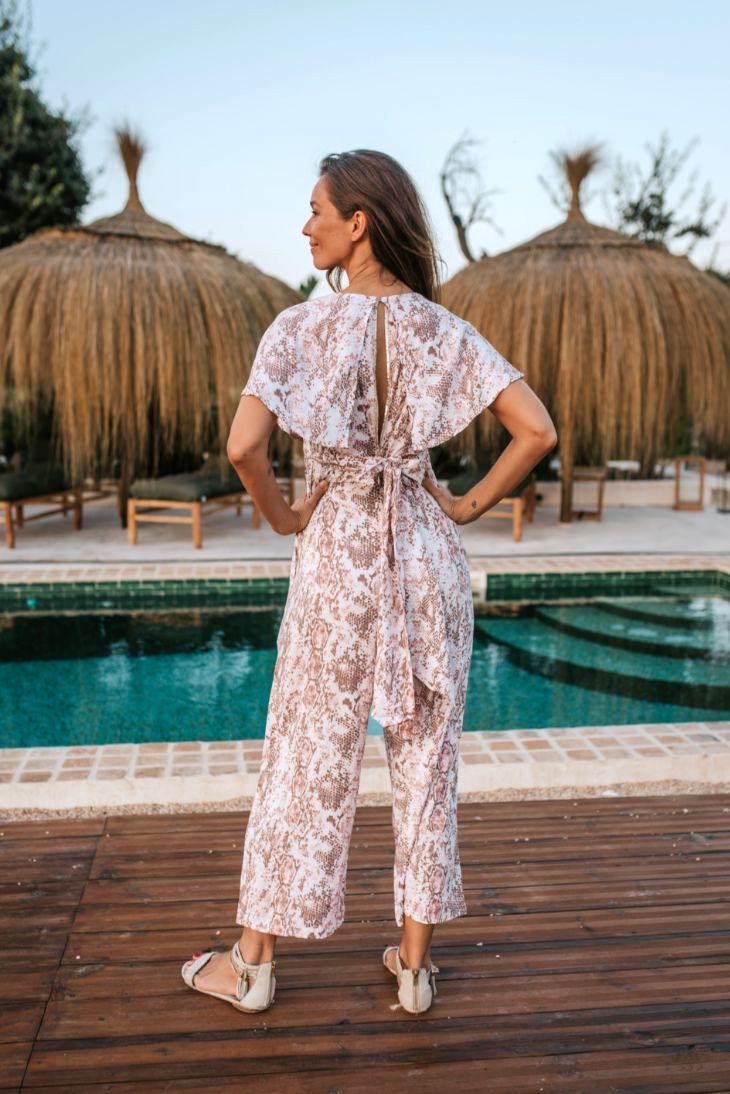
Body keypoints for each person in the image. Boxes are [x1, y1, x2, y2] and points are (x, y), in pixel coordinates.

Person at [182, 149, 557, 1015]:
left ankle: (252, 965)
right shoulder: (444, 330)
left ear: (358, 223)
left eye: (316, 210)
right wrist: (462, 506)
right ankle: (415, 971)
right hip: (426, 556)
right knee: (428, 757)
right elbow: (536, 430)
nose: (304, 226)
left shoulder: (298, 329)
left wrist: (285, 517)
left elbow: (243, 448)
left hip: (339, 560)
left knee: (305, 754)